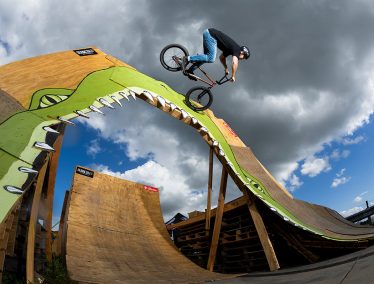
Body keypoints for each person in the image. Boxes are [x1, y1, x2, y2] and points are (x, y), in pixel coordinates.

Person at [183, 28, 250, 82]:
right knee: (211, 58)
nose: (242, 59)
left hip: (209, 34)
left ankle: (190, 70)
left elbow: (221, 58)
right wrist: (233, 76)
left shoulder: (231, 50)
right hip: (211, 35)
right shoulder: (237, 50)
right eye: (244, 57)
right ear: (242, 53)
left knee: (206, 58)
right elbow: (235, 63)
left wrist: (226, 68)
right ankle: (187, 59)